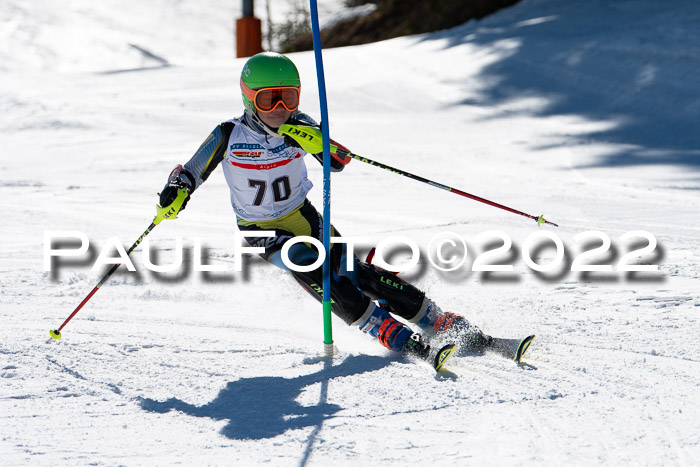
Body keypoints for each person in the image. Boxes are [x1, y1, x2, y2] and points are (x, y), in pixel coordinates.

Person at [158, 52, 490, 365]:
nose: (278, 108)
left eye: (288, 97)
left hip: (306, 217)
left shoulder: (300, 123)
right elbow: (190, 172)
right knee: (309, 264)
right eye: (267, 99)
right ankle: (387, 330)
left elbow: (337, 161)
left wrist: (316, 141)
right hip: (262, 232)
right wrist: (177, 191)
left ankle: (437, 321)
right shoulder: (229, 134)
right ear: (248, 99)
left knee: (353, 272)